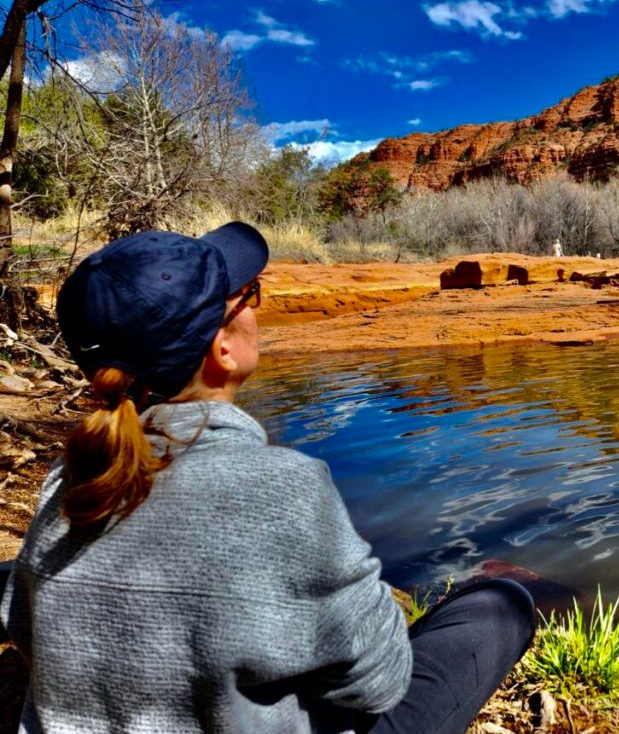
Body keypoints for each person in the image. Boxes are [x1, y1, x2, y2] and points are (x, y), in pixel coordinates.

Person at [0, 222, 535, 734]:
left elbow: (23, 621)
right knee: (497, 606)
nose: (257, 309)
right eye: (249, 295)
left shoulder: (70, 475)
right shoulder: (283, 487)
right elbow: (381, 683)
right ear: (222, 347)